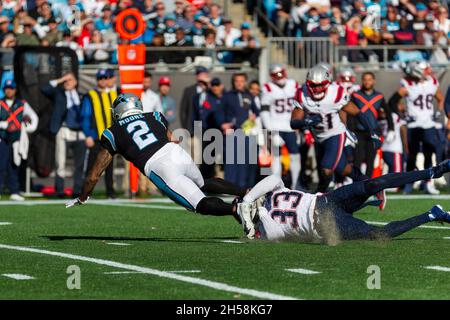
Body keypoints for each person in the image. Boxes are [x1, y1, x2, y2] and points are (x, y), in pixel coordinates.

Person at [66, 93, 248, 220]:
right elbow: (172, 139)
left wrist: (82, 197)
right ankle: (246, 193)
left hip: (159, 165)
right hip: (176, 152)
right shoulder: (155, 115)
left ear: (119, 111)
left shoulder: (111, 133)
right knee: (203, 183)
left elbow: (93, 176)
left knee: (198, 204)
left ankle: (237, 209)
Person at [237, 162, 450, 242]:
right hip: (325, 224)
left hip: (326, 201)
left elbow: (274, 178)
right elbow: (276, 234)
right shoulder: (264, 227)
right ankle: (432, 214)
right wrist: (258, 215)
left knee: (371, 184)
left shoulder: (274, 192)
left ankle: (432, 171)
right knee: (378, 234)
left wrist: (247, 200)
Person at [291, 64, 382, 194]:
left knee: (326, 169)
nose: (317, 89)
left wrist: (371, 131)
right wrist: (306, 121)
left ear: (328, 83)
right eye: (314, 85)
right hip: (318, 137)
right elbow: (294, 122)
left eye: (321, 85)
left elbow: (358, 112)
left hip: (335, 134)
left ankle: (320, 198)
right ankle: (372, 184)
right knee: (344, 169)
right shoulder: (302, 93)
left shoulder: (336, 93)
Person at [389, 61, 445, 194]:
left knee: (428, 154)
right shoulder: (407, 83)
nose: (429, 72)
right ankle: (409, 184)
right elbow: (393, 101)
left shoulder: (432, 82)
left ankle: (428, 183)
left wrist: (438, 111)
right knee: (411, 155)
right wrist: (402, 114)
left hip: (428, 124)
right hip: (414, 125)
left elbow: (440, 98)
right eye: (426, 69)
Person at [41, 73, 86, 198]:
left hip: (80, 132)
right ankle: (59, 189)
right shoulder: (59, 94)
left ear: (76, 82)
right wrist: (61, 78)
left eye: (70, 79)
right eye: (66, 80)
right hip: (64, 130)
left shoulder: (82, 96)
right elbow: (44, 88)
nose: (67, 82)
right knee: (60, 162)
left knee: (80, 163)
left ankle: (77, 190)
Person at [260, 64, 300, 189]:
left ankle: (295, 184)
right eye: (276, 75)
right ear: (271, 76)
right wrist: (271, 131)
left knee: (295, 155)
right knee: (276, 157)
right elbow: (264, 111)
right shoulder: (268, 87)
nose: (279, 77)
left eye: (281, 73)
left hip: (290, 127)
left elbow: (300, 107)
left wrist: (298, 124)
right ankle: (277, 186)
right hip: (276, 127)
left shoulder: (294, 85)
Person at [217, 72, 260, 189]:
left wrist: (254, 116)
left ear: (245, 82)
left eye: (242, 81)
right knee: (231, 161)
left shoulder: (249, 96)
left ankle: (242, 188)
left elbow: (257, 111)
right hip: (232, 132)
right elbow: (219, 112)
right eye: (237, 81)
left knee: (244, 162)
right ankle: (229, 188)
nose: (239, 83)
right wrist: (222, 124)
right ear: (233, 82)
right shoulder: (227, 96)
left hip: (246, 133)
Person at [80, 68, 117, 198]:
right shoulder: (90, 95)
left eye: (105, 78)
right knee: (92, 166)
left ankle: (110, 191)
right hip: (95, 137)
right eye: (100, 78)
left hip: (110, 138)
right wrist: (88, 134)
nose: (103, 81)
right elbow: (85, 116)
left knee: (109, 166)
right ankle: (86, 191)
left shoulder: (113, 95)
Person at [351, 71, 393, 178]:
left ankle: (367, 185)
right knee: (357, 159)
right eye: (365, 79)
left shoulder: (379, 96)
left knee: (371, 160)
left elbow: (388, 113)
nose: (367, 82)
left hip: (374, 131)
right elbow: (350, 114)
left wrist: (391, 129)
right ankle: (355, 183)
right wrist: (350, 130)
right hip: (359, 132)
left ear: (374, 81)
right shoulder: (356, 95)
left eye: (369, 79)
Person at [0, 80, 34, 201]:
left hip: (16, 139)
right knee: (1, 164)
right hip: (2, 138)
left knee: (14, 164)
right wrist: (3, 124)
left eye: (11, 88)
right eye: (7, 88)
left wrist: (26, 127)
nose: (9, 90)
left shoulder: (22, 104)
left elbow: (33, 119)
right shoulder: (0, 103)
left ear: (15, 90)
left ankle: (14, 190)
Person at [193, 77, 224, 179]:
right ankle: (205, 181)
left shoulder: (225, 97)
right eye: (213, 86)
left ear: (221, 86)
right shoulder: (209, 100)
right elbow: (205, 116)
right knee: (208, 159)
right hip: (211, 133)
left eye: (217, 85)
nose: (215, 88)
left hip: (225, 133)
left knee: (225, 159)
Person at [179, 66, 210, 135]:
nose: (201, 77)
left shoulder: (212, 91)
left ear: (207, 76)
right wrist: (186, 128)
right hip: (192, 130)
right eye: (199, 75)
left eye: (203, 75)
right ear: (196, 77)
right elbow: (183, 111)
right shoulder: (189, 91)